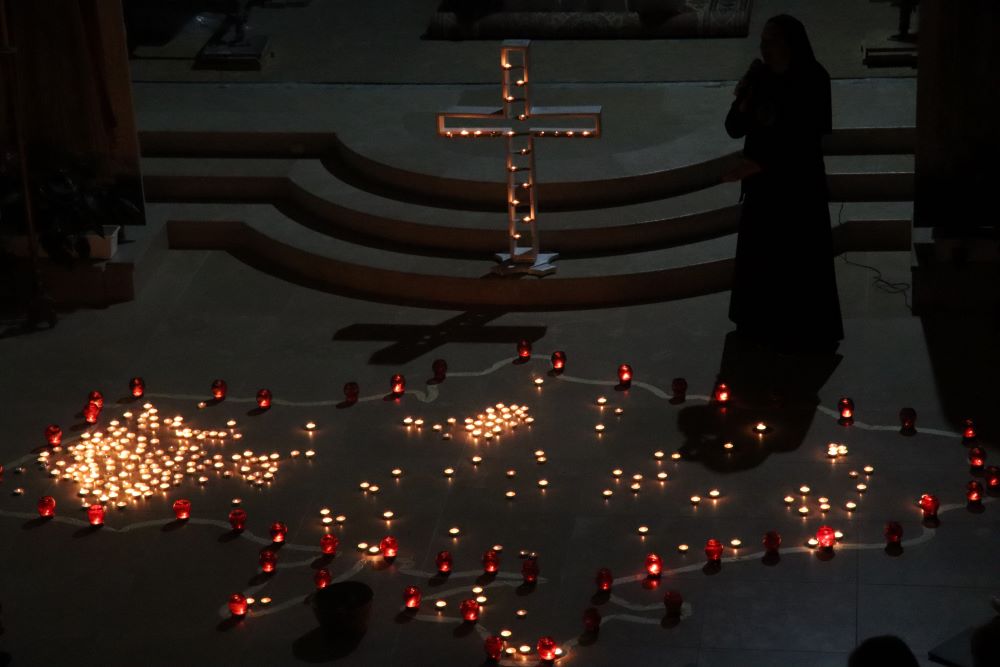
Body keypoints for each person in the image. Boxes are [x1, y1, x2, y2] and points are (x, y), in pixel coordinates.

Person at [723, 14, 843, 354]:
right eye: (762, 41)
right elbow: (733, 126)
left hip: (797, 190)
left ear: (790, 44)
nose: (764, 48)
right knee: (762, 264)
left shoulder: (814, 80)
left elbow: (806, 139)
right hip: (763, 191)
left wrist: (760, 163)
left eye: (771, 41)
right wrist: (744, 95)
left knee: (798, 264)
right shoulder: (759, 80)